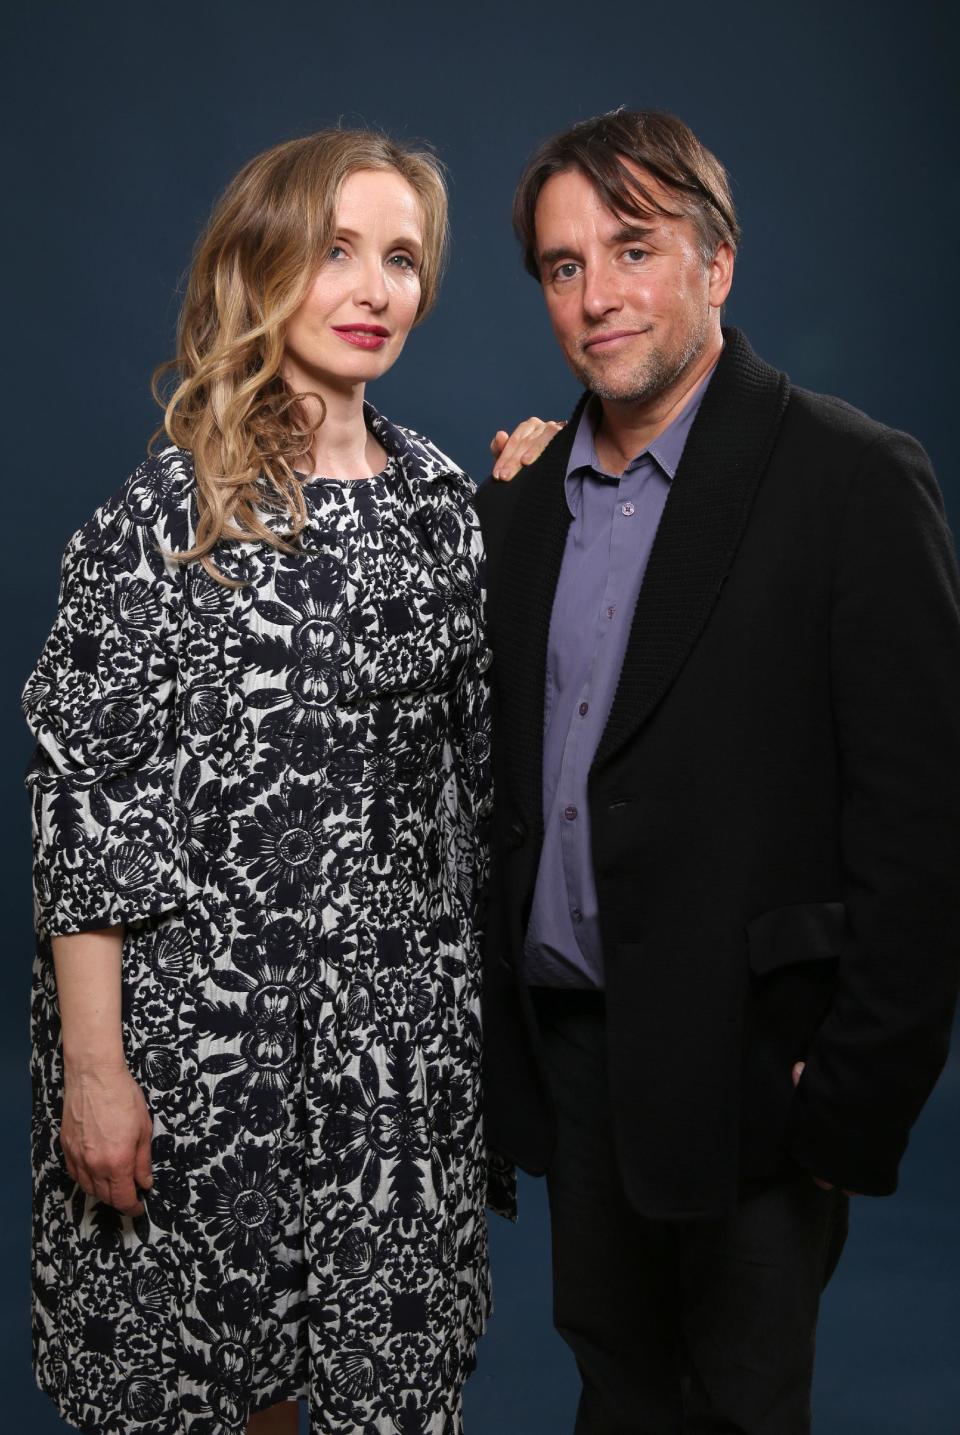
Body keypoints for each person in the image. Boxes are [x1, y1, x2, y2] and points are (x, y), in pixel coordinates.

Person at [23, 128, 550, 1435]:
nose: (376, 290)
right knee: (213, 1400)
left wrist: (554, 506)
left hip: (398, 1071)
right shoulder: (168, 513)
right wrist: (98, 1069)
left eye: (404, 260)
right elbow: (84, 800)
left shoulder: (444, 507)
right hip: (204, 1059)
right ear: (262, 266)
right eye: (336, 252)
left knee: (386, 1399)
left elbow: (497, 777)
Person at [475, 108, 960, 1434]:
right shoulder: (518, 500)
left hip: (753, 1063)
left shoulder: (853, 480)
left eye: (632, 249)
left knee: (741, 1406)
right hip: (571, 1048)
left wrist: (855, 1085)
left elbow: (925, 827)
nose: (597, 296)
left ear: (718, 262)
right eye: (564, 267)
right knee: (616, 1390)